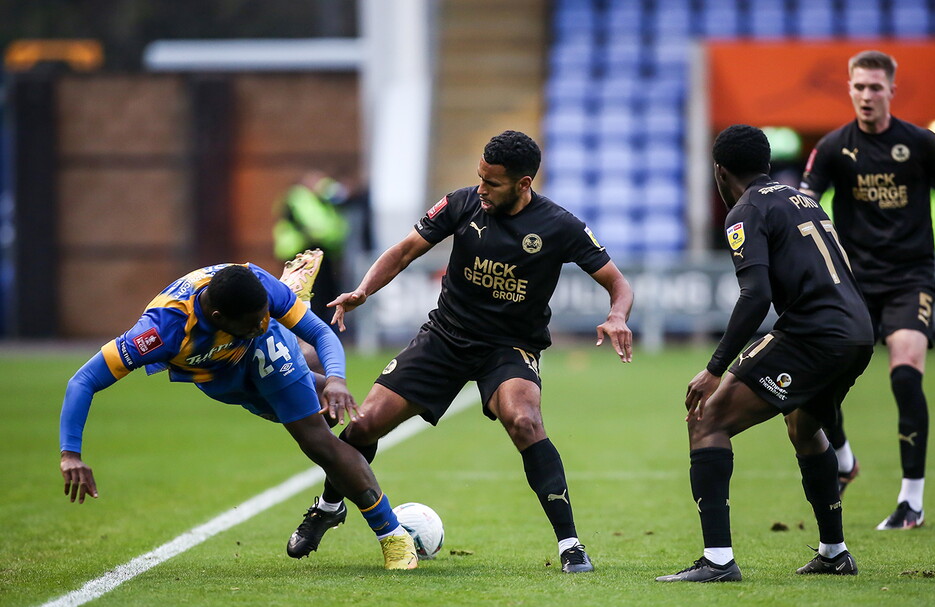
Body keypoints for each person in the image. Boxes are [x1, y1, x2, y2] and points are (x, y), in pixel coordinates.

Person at [296, 130, 633, 574]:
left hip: (509, 347)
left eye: (492, 183)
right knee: (363, 427)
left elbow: (618, 283)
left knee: (525, 421)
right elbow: (402, 253)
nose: (481, 189)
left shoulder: (560, 226)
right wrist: (362, 291)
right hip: (446, 337)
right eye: (479, 178)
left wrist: (618, 315)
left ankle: (571, 545)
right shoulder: (461, 204)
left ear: (523, 183)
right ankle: (328, 506)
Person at [58, 260, 418, 570]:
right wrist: (70, 454)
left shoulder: (256, 289)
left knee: (317, 435)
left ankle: (391, 535)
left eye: (267, 313)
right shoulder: (160, 331)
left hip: (260, 351)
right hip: (218, 377)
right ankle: (295, 306)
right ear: (218, 317)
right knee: (315, 405)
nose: (263, 320)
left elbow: (321, 332)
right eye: (256, 318)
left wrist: (338, 378)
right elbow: (84, 380)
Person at [657, 125, 874, 582]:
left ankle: (717, 561)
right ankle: (835, 552)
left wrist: (715, 368)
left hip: (814, 334)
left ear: (719, 170)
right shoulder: (801, 198)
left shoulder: (746, 210)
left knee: (707, 420)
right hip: (857, 332)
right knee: (804, 424)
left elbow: (755, 296)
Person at [799, 50, 935, 529]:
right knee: (820, 382)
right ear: (849, 88)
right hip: (853, 282)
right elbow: (805, 201)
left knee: (906, 373)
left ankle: (912, 500)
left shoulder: (921, 143)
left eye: (875, 87)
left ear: (892, 90)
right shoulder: (832, 147)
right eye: (859, 87)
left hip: (910, 278)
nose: (866, 96)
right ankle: (845, 459)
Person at [273, 171, 352, 323]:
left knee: (324, 293)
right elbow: (314, 227)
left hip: (321, 251)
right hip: (301, 252)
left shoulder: (321, 201)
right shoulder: (299, 198)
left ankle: (319, 325)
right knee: (305, 293)